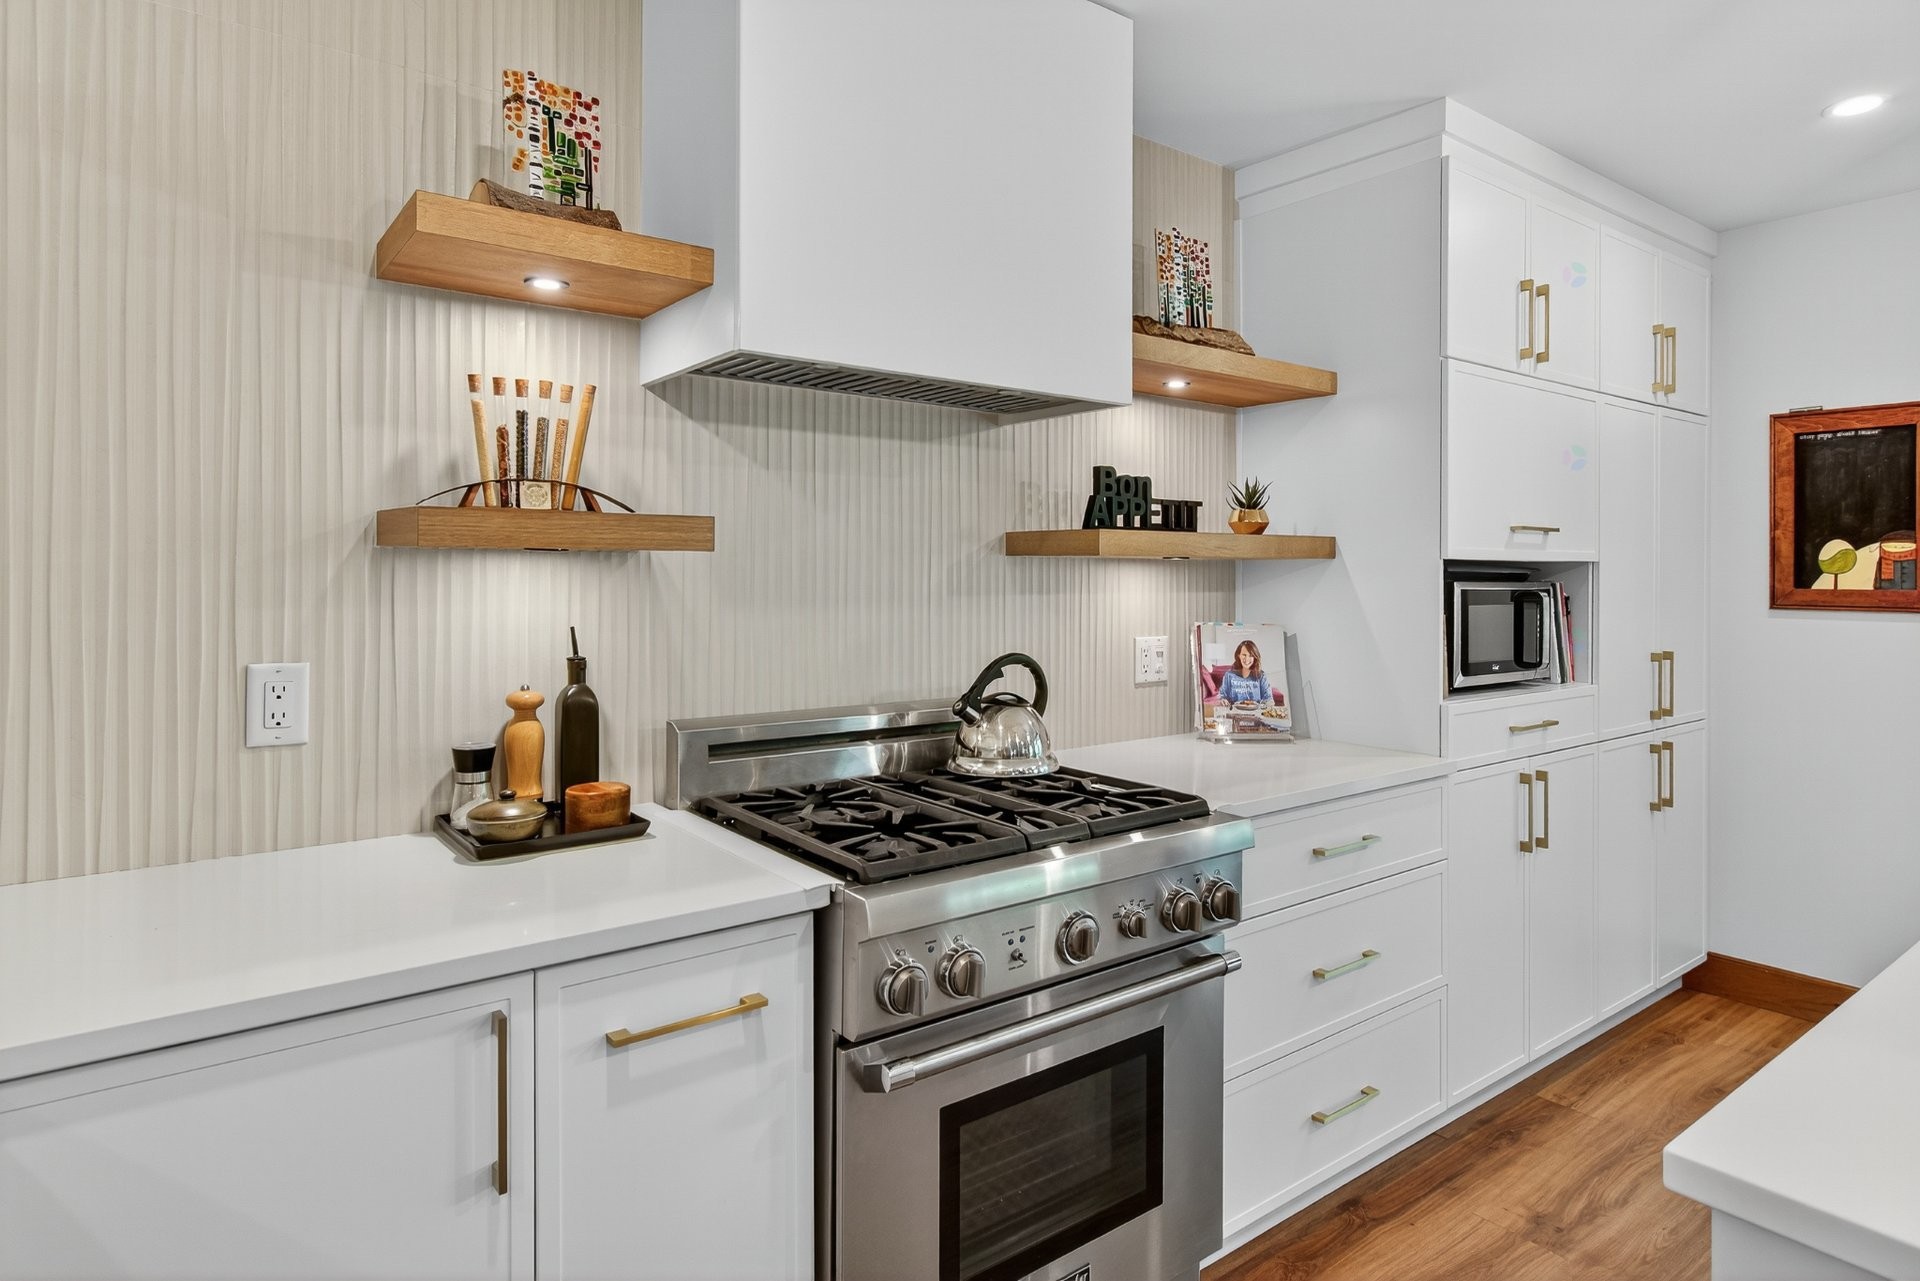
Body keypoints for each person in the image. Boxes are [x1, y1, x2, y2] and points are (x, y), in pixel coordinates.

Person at [1215, 639, 1272, 705]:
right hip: (1234, 713)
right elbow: (1222, 696)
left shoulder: (1261, 676)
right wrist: (1222, 700)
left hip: (1255, 713)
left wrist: (1267, 704)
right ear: (1238, 655)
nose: (1247, 659)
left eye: (1251, 655)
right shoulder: (1229, 675)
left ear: (1255, 657)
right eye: (1244, 655)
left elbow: (1268, 699)